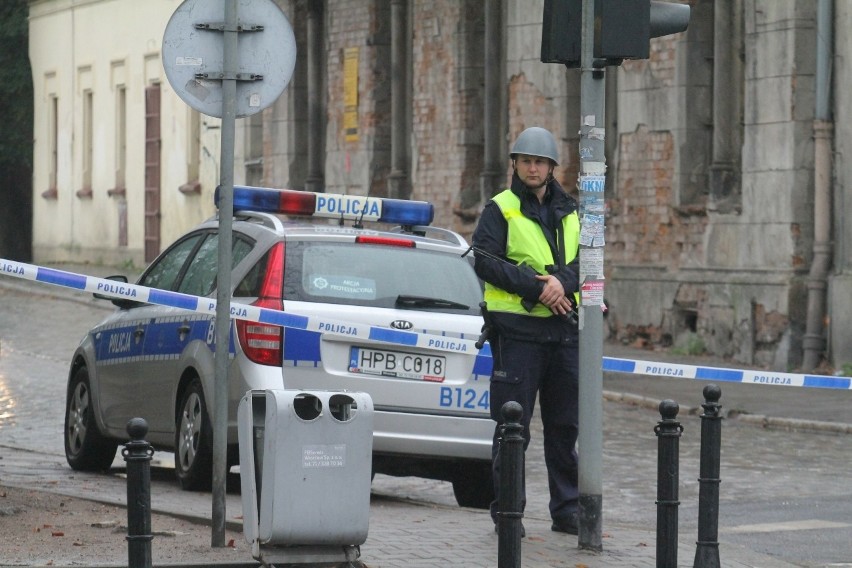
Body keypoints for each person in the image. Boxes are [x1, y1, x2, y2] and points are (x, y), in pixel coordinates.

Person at [472, 126, 580, 536]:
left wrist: (561, 285)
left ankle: (567, 511)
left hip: (564, 334)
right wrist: (539, 287)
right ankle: (508, 513)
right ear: (515, 164)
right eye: (527, 161)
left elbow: (589, 261)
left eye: (541, 162)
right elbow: (486, 261)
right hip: (517, 335)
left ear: (552, 167)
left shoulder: (571, 210)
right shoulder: (499, 209)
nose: (533, 168)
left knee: (564, 427)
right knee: (512, 428)